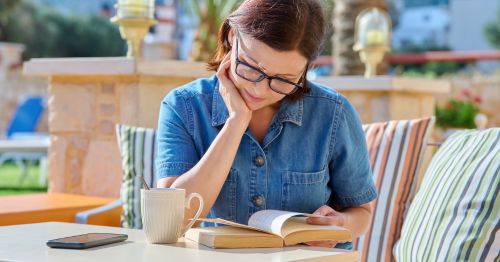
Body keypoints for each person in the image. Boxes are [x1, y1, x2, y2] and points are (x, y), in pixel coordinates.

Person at [156, 0, 377, 249]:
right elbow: (172, 223)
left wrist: (341, 224)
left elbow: (362, 212)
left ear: (306, 69)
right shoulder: (184, 107)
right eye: (251, 67)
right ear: (231, 36)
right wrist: (236, 123)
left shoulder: (334, 113)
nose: (259, 89)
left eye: (284, 80)